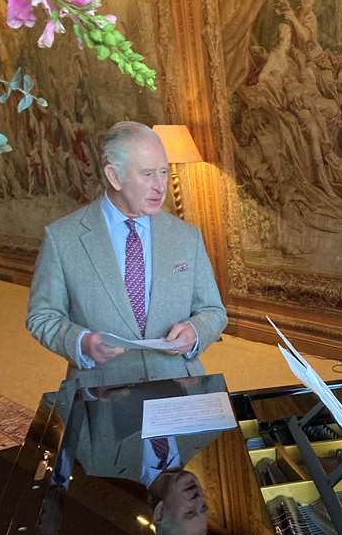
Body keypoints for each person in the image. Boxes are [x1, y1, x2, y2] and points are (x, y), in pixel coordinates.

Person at [26, 121, 227, 388]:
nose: (160, 186)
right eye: (147, 174)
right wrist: (81, 341)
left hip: (178, 388)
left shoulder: (186, 236)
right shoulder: (62, 238)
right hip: (102, 391)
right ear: (114, 176)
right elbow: (43, 316)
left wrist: (196, 332)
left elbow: (213, 311)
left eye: (163, 172)